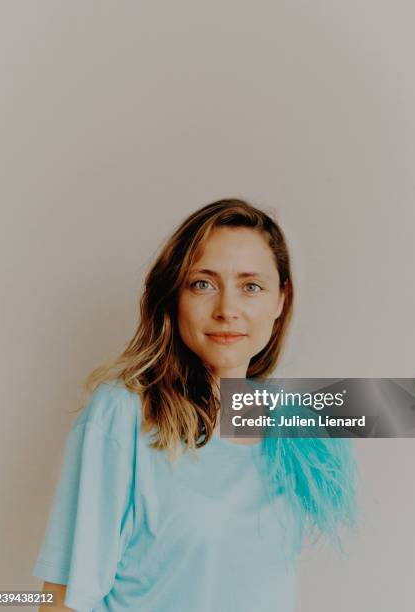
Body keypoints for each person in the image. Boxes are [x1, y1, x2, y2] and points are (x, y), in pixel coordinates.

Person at [32, 198, 359, 612]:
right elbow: (63, 597)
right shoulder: (122, 414)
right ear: (174, 295)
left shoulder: (296, 425)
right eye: (202, 283)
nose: (227, 310)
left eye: (251, 286)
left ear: (280, 300)